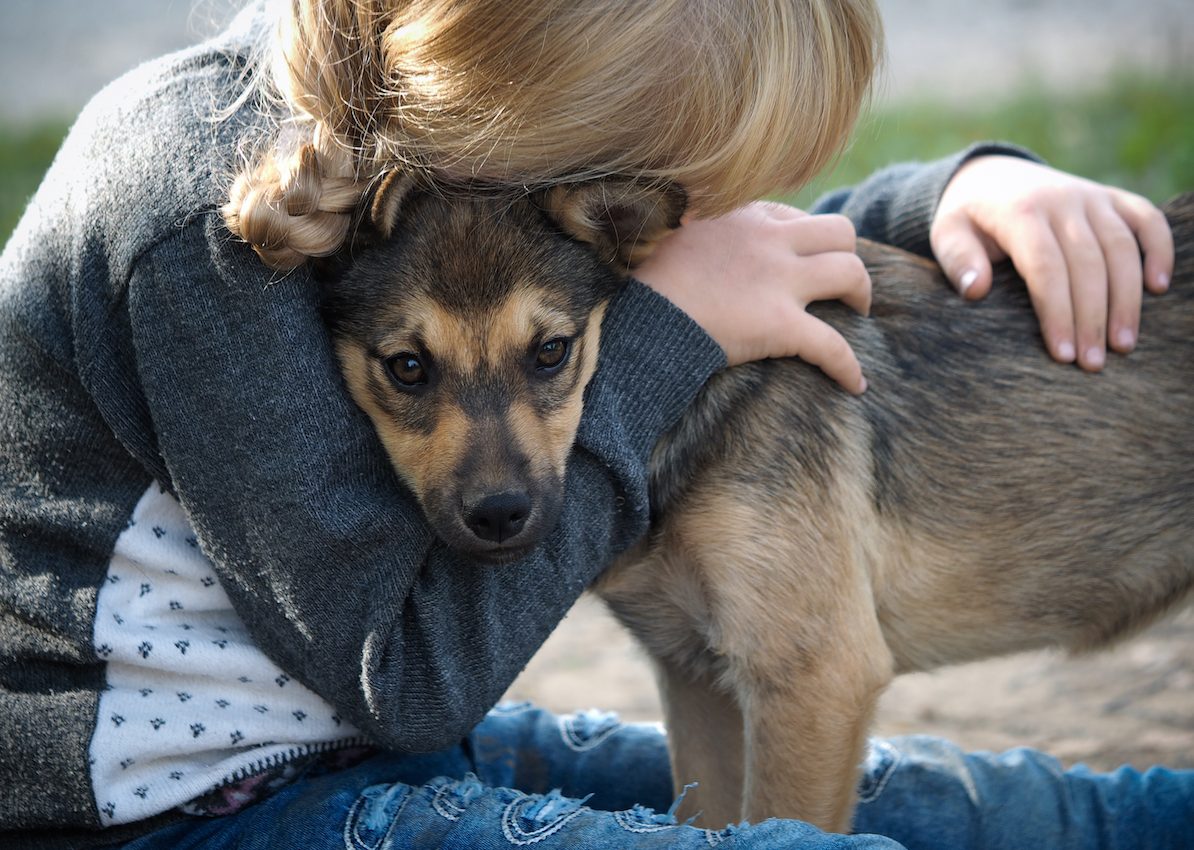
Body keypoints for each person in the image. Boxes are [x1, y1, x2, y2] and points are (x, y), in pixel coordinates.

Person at [0, 1, 1187, 849]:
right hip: (187, 804)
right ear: (521, 139)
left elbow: (708, 254)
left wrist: (944, 195)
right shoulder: (206, 228)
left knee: (965, 810)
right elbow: (403, 677)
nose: (672, 238)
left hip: (376, 755)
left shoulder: (450, 151)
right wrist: (668, 338)